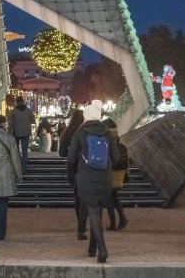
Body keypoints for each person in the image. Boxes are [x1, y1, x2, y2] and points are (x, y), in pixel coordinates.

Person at [67, 100, 117, 264]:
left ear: (86, 117)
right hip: (104, 176)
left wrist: (74, 175)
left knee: (93, 211)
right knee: (98, 210)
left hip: (86, 176)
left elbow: (71, 157)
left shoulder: (80, 132)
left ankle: (102, 249)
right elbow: (116, 157)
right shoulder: (108, 133)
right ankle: (92, 249)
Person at [58, 109, 87, 238]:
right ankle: (84, 224)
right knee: (86, 197)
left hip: (73, 167)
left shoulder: (67, 132)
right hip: (87, 166)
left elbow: (62, 153)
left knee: (78, 197)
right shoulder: (86, 132)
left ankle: (81, 224)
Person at [103, 118, 129, 231]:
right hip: (120, 172)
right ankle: (122, 219)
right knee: (114, 197)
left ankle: (113, 223)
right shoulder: (119, 139)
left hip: (110, 172)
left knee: (109, 199)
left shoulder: (106, 139)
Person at [7, 96, 36, 173]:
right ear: (23, 102)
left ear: (16, 102)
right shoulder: (29, 110)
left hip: (16, 133)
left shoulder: (13, 111)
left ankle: (18, 166)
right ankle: (24, 168)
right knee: (25, 151)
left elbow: (11, 124)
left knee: (16, 151)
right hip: (26, 132)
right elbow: (33, 121)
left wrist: (8, 133)